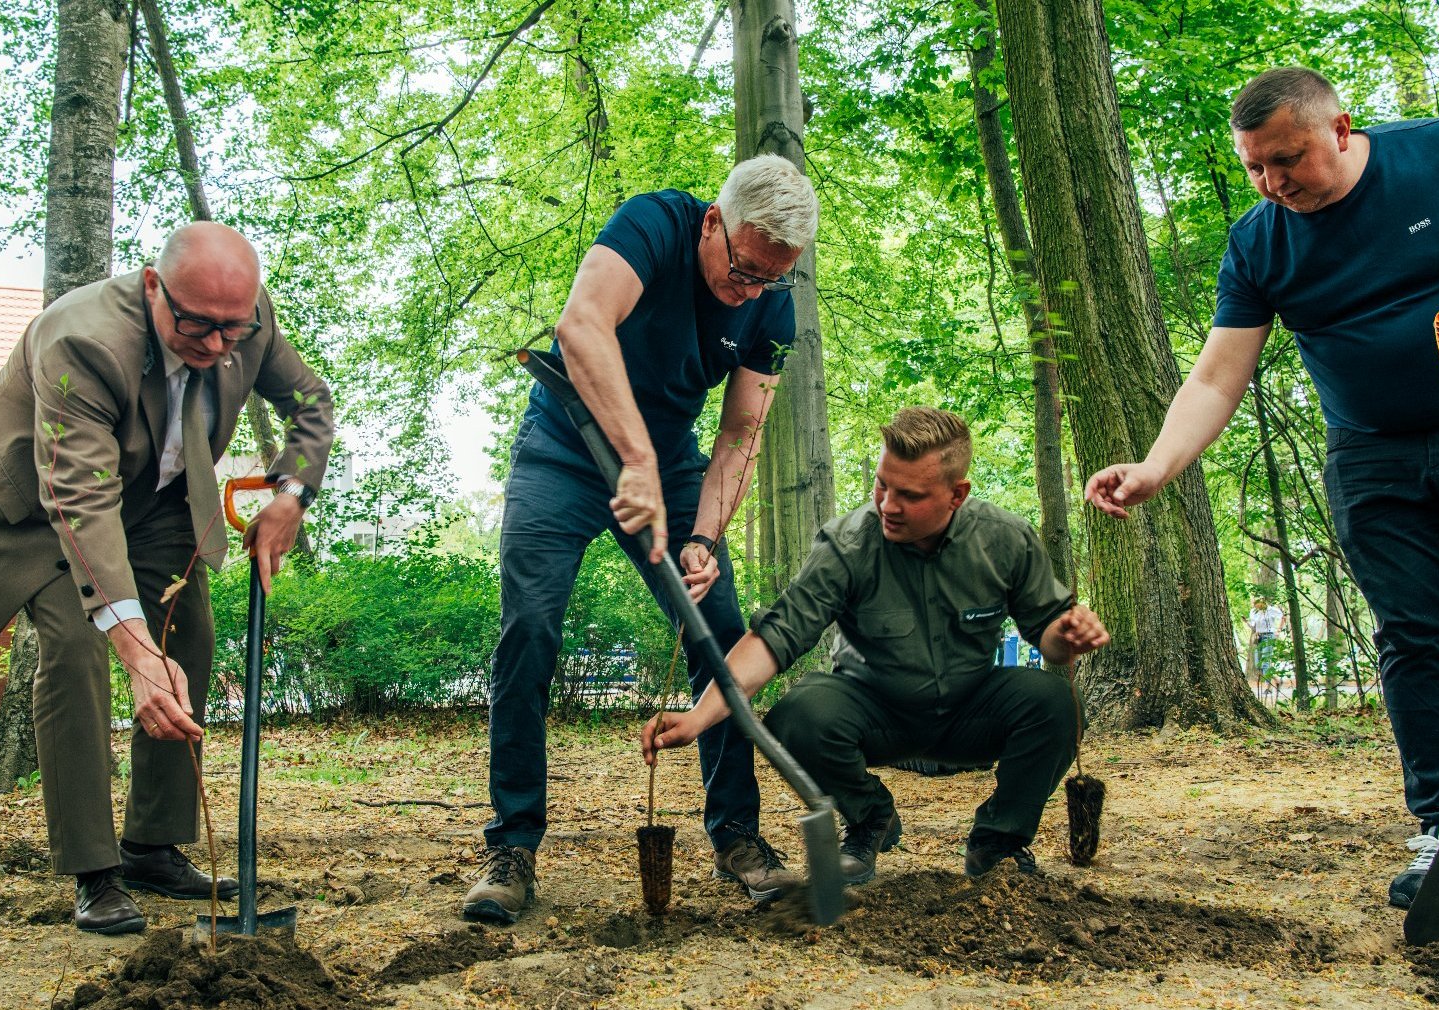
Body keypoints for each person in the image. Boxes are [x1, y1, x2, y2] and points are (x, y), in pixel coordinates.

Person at [1083, 67, 1439, 909]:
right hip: (1370, 454)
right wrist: (1156, 467)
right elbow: (1220, 374)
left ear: (1340, 129)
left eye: (1288, 159)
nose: (1273, 182)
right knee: (1415, 633)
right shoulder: (1260, 240)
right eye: (1255, 166)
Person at [466, 155, 820, 924]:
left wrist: (704, 535)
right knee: (529, 628)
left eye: (771, 279)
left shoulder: (771, 306)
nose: (750, 290)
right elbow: (580, 324)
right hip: (565, 449)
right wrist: (634, 460)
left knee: (722, 630)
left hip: (670, 465)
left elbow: (739, 432)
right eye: (744, 269)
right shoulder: (653, 223)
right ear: (713, 222)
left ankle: (739, 838)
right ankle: (513, 844)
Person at [0, 222, 334, 934]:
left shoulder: (246, 317)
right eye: (197, 326)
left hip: (155, 497)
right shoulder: (82, 338)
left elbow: (311, 402)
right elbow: (81, 501)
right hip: (44, 503)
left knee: (187, 631)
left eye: (233, 329)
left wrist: (292, 494)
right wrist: (132, 648)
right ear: (154, 287)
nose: (219, 346)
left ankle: (153, 845)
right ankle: (94, 870)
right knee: (73, 647)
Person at [642, 408, 1109, 886]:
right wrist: (698, 717)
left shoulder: (1006, 540)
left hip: (972, 712)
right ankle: (869, 819)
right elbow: (773, 640)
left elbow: (1050, 641)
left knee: (1058, 702)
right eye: (883, 485)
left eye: (910, 495)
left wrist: (1068, 636)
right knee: (798, 714)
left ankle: (999, 842)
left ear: (957, 494)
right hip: (872, 715)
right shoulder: (848, 544)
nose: (888, 505)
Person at [1246, 596, 1285, 694]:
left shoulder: (1271, 610)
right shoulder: (1253, 611)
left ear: (1262, 602)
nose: (1255, 606)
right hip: (1258, 637)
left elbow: (1283, 617)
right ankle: (1277, 680)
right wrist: (1247, 622)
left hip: (1268, 636)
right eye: (1254, 604)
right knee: (1258, 663)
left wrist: (1278, 630)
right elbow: (1253, 626)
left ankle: (1269, 688)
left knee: (1265, 663)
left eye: (1257, 603)